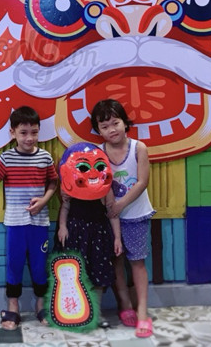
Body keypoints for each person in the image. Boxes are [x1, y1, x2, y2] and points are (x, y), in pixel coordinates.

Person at [0, 105, 58, 331]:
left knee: (39, 265)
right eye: (23, 133)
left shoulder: (45, 157)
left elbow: (53, 182)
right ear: (12, 133)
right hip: (14, 222)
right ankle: (13, 305)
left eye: (34, 132)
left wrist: (44, 200)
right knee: (14, 264)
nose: (29, 138)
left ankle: (41, 303)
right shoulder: (7, 157)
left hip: (39, 223)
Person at [91, 99, 155, 339]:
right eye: (105, 126)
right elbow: (101, 184)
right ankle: (125, 305)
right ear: (98, 130)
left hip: (136, 215)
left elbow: (142, 182)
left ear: (125, 123)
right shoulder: (98, 153)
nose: (112, 129)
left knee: (137, 262)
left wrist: (120, 204)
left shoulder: (139, 148)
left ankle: (142, 312)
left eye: (115, 123)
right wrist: (112, 208)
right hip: (111, 218)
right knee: (116, 261)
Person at [55, 143, 123, 313]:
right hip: (75, 233)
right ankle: (77, 312)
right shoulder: (70, 187)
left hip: (98, 234)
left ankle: (95, 312)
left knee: (98, 273)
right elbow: (65, 207)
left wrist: (117, 238)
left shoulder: (105, 188)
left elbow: (112, 213)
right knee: (75, 274)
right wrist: (62, 227)